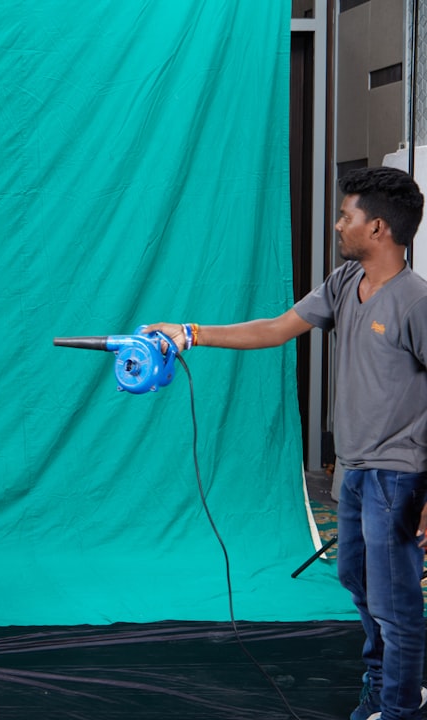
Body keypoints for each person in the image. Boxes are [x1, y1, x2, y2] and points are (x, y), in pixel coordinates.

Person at [146, 166, 427, 720]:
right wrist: (191, 333)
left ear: (377, 228)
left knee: (394, 601)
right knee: (355, 578)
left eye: (346, 216)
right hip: (355, 469)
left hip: (398, 474)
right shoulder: (345, 283)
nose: (338, 226)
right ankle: (387, 684)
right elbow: (276, 328)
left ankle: (400, 707)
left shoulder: (416, 302)